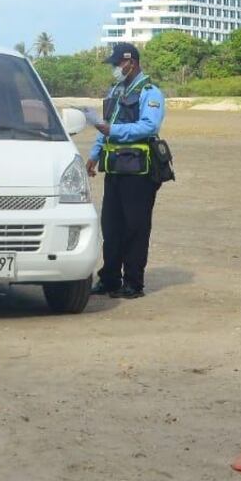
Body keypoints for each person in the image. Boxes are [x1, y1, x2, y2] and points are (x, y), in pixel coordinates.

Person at [86, 43, 166, 299]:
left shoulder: (150, 93)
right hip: (115, 169)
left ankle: (133, 282)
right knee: (111, 226)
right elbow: (105, 126)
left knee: (136, 227)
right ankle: (109, 278)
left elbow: (148, 126)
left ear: (131, 62)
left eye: (117, 64)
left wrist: (115, 132)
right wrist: (95, 154)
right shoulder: (116, 91)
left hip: (139, 173)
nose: (115, 69)